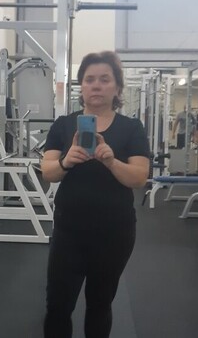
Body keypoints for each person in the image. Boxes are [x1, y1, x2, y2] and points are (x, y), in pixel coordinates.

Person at [41, 51, 150, 338]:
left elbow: (139, 177)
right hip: (69, 231)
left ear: (117, 87)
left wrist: (111, 162)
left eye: (104, 79)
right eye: (89, 80)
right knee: (58, 306)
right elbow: (48, 172)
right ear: (82, 87)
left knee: (99, 305)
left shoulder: (131, 128)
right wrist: (66, 161)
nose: (96, 85)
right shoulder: (64, 125)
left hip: (114, 233)